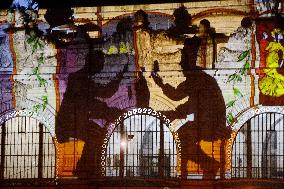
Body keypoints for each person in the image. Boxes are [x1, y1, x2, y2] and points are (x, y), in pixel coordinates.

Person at [151, 36, 231, 179]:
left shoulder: (196, 78)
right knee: (184, 135)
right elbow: (189, 106)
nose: (181, 64)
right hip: (207, 122)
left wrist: (160, 83)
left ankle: (206, 166)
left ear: (191, 60)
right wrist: (171, 113)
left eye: (183, 59)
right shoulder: (201, 78)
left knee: (183, 135)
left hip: (208, 124)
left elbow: (175, 96)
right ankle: (208, 166)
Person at [259, 28, 284, 97]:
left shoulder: (280, 46)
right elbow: (266, 49)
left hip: (275, 62)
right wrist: (265, 38)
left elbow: (283, 57)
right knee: (270, 73)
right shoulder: (272, 44)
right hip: (270, 59)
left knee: (273, 74)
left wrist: (280, 65)